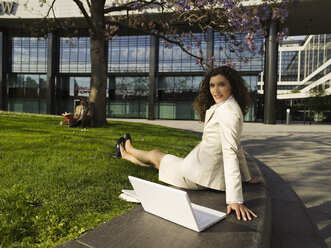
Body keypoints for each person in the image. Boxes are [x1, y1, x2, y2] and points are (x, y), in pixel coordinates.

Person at [116, 66, 264, 221]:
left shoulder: (228, 112)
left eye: (222, 84)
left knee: (157, 155)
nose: (216, 91)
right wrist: (246, 178)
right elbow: (238, 147)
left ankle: (129, 148)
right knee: (158, 162)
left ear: (232, 85)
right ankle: (127, 155)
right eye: (212, 85)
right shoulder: (229, 106)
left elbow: (231, 152)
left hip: (198, 175)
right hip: (200, 168)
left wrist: (235, 200)